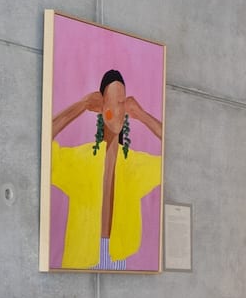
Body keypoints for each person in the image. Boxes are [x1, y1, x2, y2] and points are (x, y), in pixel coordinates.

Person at [48, 68, 163, 270]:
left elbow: (177, 156)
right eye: (111, 103)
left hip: (118, 255)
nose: (117, 111)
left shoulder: (134, 165)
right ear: (101, 107)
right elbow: (43, 141)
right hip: (81, 257)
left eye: (122, 104)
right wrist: (81, 105)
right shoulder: (81, 161)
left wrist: (143, 115)